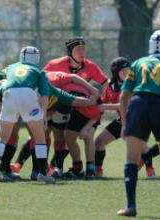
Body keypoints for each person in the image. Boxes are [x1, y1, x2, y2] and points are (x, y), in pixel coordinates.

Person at [117, 30, 160, 216]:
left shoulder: (138, 63)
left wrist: (124, 124)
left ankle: (130, 206)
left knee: (131, 159)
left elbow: (123, 96)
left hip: (138, 104)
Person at [0, 46, 56, 182]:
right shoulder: (39, 71)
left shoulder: (11, 67)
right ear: (36, 58)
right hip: (28, 95)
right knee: (40, 138)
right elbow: (44, 94)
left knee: (3, 137)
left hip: (8, 94)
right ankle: (41, 173)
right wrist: (43, 114)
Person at [43, 37, 106, 179]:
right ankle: (76, 168)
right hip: (70, 108)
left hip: (88, 109)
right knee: (67, 137)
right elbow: (41, 78)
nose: (82, 52)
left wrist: (101, 99)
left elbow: (106, 82)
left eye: (83, 49)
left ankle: (91, 169)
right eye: (78, 49)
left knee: (88, 135)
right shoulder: (55, 64)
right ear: (69, 52)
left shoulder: (90, 66)